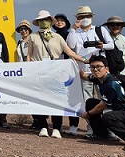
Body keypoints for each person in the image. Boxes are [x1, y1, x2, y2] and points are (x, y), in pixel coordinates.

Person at [27, 10, 88, 138]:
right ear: (38, 23)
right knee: (40, 99)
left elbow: (69, 52)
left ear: (50, 21)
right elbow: (29, 54)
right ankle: (43, 126)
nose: (43, 22)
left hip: (54, 72)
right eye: (41, 20)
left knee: (56, 100)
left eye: (46, 19)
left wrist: (84, 60)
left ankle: (56, 127)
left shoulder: (57, 37)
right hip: (39, 71)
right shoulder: (33, 36)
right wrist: (28, 69)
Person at [66, 6, 114, 136]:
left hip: (100, 72)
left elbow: (111, 44)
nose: (84, 19)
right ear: (77, 19)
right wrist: (73, 29)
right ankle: (92, 127)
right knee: (88, 101)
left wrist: (101, 45)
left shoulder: (100, 30)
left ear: (92, 18)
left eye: (87, 16)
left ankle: (109, 128)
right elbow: (70, 46)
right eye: (81, 17)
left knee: (105, 99)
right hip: (84, 72)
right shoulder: (75, 33)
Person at [79, 55, 125, 151]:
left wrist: (88, 114)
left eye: (99, 67)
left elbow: (102, 106)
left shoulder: (111, 84)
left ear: (106, 68)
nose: (95, 70)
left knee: (108, 117)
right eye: (92, 67)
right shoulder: (99, 78)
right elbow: (84, 76)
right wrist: (73, 65)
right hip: (121, 111)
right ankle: (102, 134)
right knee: (91, 103)